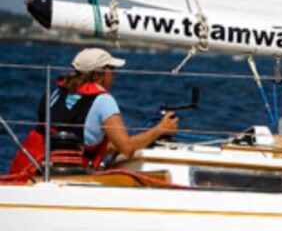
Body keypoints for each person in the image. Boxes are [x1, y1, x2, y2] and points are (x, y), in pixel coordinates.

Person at [7, 48, 178, 178]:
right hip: (66, 175)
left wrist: (110, 147)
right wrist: (161, 129)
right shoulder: (104, 101)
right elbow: (126, 148)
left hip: (31, 168)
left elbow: (79, 136)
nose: (114, 75)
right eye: (112, 69)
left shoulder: (60, 90)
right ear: (98, 75)